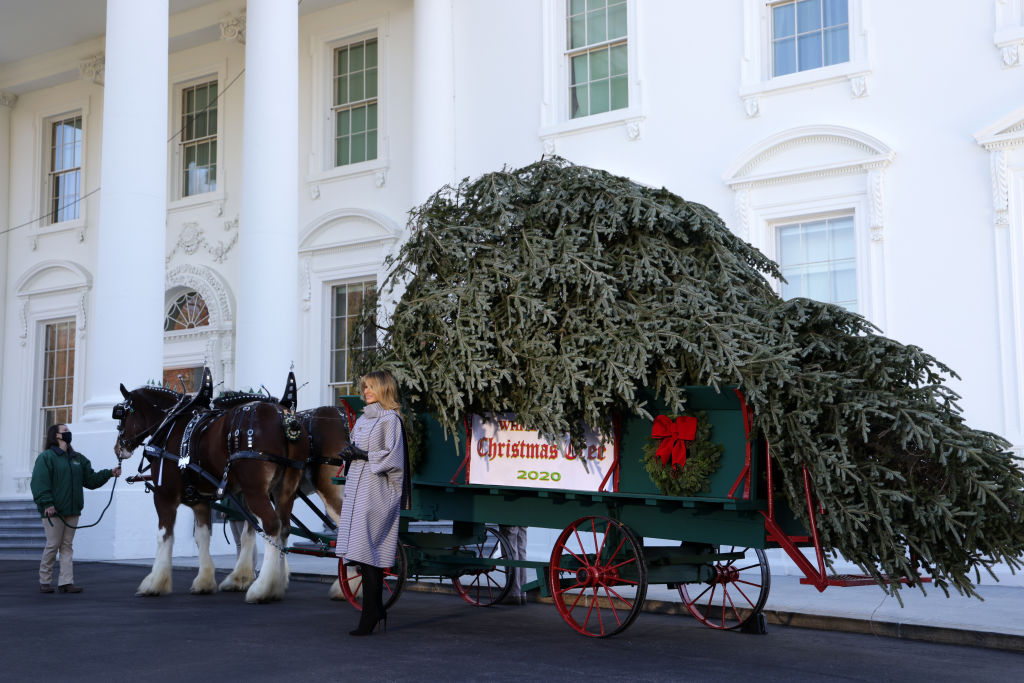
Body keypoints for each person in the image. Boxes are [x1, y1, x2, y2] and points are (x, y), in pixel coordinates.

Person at [335, 370, 411, 636]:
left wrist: (363, 454)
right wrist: (349, 454)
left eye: (371, 387)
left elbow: (394, 458)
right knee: (363, 554)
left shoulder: (391, 419)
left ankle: (371, 614)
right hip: (358, 490)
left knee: (368, 552)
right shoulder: (363, 419)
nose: (366, 391)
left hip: (377, 492)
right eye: (364, 386)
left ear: (384, 389)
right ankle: (375, 610)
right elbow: (359, 452)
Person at [31, 423, 120, 593]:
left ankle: (66, 582)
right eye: (65, 431)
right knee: (53, 545)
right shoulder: (46, 457)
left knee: (67, 546)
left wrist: (109, 473)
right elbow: (39, 482)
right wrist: (47, 503)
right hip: (53, 511)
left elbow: (91, 480)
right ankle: (45, 580)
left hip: (72, 510)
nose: (68, 432)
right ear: (56, 435)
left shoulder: (78, 458)